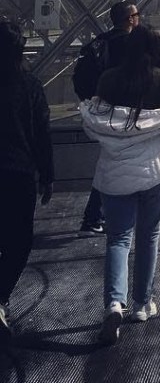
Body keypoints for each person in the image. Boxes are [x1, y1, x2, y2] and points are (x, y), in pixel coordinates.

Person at [80, 24, 160, 345]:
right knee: (149, 237)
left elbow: (93, 128)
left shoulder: (109, 80)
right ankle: (142, 304)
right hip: (155, 171)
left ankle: (114, 304)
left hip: (114, 175)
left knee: (118, 239)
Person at [0, 21, 53, 342]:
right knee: (18, 242)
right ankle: (1, 296)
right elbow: (41, 134)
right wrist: (47, 175)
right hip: (18, 173)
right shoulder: (29, 86)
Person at [74, 0, 140, 234]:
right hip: (125, 112)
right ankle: (98, 216)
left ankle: (98, 215)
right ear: (130, 19)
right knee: (117, 164)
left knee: (112, 162)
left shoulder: (101, 42)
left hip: (103, 111)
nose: (139, 17)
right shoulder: (131, 44)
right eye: (137, 14)